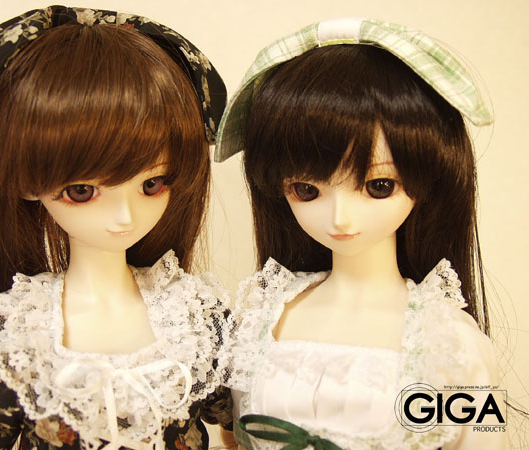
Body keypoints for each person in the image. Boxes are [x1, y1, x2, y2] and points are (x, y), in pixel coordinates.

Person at [0, 6, 232, 449]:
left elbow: (240, 426)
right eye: (82, 191)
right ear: (27, 182)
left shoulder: (196, 320)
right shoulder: (19, 341)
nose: (125, 216)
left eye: (151, 184)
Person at [215, 18, 507, 449]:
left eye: (379, 186)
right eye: (307, 190)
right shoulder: (258, 322)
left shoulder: (450, 344)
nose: (341, 218)